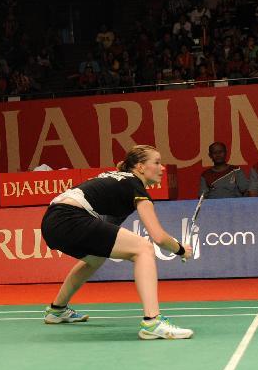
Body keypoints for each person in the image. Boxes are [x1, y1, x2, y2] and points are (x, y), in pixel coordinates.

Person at [40, 145, 194, 340]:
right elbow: (158, 237)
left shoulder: (117, 180)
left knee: (96, 257)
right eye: (156, 162)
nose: (162, 168)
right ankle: (152, 322)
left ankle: (57, 310)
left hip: (52, 221)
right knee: (144, 248)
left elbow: (107, 227)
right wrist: (181, 250)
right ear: (140, 167)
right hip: (70, 218)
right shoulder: (134, 185)